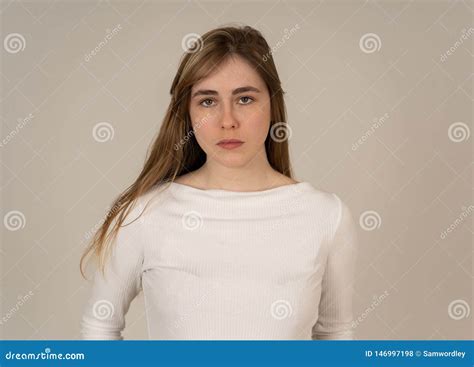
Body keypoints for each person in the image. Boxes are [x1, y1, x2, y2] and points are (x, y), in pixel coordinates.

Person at [79, 24, 359, 340]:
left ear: (272, 103)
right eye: (208, 101)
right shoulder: (143, 214)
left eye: (245, 99)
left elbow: (335, 334)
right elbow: (100, 327)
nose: (227, 121)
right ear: (187, 111)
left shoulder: (325, 216)